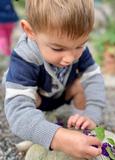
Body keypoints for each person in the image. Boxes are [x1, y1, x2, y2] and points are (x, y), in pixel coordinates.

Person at [3, 0, 106, 159]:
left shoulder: (73, 45)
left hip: (61, 93)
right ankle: (41, 131)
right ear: (31, 31)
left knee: (82, 84)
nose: (70, 58)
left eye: (79, 46)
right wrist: (60, 139)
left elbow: (94, 77)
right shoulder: (25, 56)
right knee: (27, 110)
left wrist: (92, 115)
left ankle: (80, 126)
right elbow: (18, 112)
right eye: (58, 48)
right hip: (38, 99)